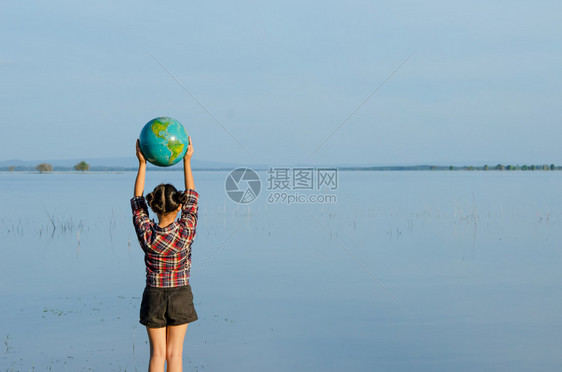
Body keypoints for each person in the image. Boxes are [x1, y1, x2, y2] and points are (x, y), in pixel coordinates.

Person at [131, 137, 198, 372]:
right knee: (174, 354)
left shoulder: (147, 233)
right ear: (178, 206)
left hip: (154, 296)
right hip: (180, 293)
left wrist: (142, 164)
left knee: (157, 355)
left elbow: (137, 202)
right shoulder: (185, 231)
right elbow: (191, 196)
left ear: (154, 207)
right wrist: (186, 161)